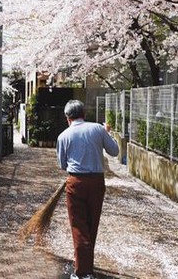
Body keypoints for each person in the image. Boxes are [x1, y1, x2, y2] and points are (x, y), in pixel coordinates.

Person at [56, 100, 119, 279]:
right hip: (97, 183)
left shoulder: (63, 136)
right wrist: (108, 133)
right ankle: (85, 267)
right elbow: (114, 151)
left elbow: (62, 164)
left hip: (75, 182)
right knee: (92, 224)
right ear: (84, 113)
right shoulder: (97, 129)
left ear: (67, 117)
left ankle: (83, 272)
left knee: (78, 225)